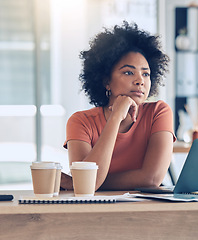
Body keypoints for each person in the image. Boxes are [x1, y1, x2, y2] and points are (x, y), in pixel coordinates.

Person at [60, 21, 175, 191]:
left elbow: (151, 179)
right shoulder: (80, 122)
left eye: (146, 73)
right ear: (107, 81)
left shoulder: (159, 112)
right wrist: (115, 118)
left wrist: (83, 182)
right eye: (128, 72)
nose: (140, 81)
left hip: (145, 212)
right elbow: (84, 185)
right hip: (91, 213)